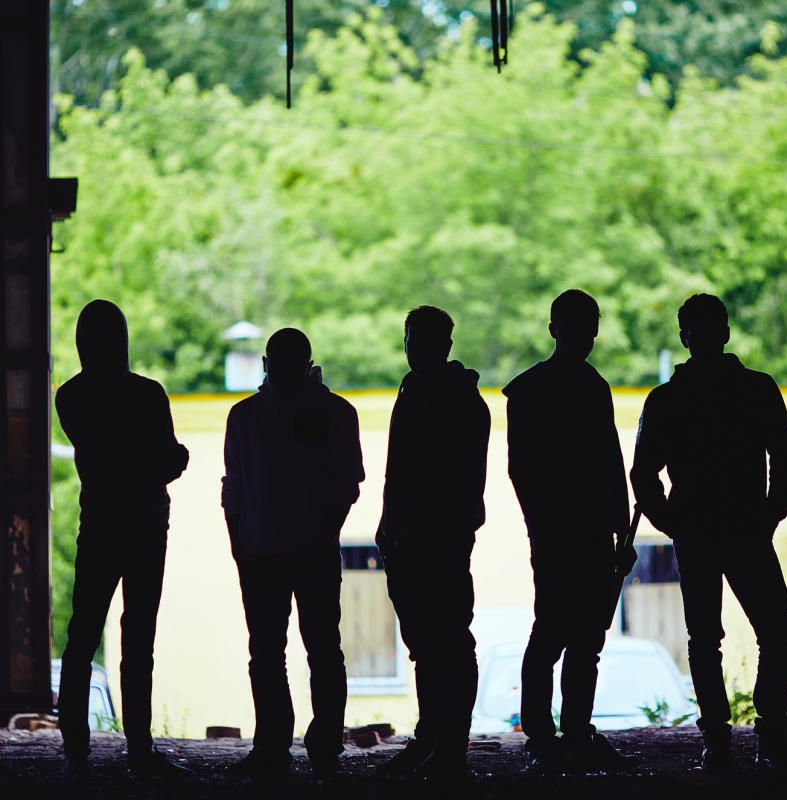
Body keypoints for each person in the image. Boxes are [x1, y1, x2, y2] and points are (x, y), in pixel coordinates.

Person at [630, 293, 787, 771]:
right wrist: (769, 515)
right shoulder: (758, 389)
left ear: (686, 338)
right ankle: (770, 733)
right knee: (775, 631)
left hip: (700, 532)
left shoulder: (667, 400)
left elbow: (643, 474)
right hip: (745, 529)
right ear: (725, 332)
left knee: (706, 637)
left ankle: (718, 740)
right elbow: (783, 461)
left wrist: (671, 521)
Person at [55, 299, 192, 777]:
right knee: (139, 640)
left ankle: (75, 746)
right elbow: (169, 460)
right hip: (147, 528)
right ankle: (138, 748)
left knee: (82, 635)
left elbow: (108, 456)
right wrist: (168, 459)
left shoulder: (69, 398)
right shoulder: (149, 395)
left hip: (98, 527)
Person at [221, 328, 365, 779]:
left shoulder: (244, 417)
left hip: (262, 550)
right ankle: (323, 745)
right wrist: (324, 529)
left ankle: (272, 747)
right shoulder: (337, 413)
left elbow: (234, 489)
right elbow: (348, 484)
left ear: (265, 363)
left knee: (268, 652)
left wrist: (239, 544)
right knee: (322, 649)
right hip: (311, 551)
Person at [504, 289, 634, 773]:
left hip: (575, 532)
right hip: (571, 533)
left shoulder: (536, 388)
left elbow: (607, 462)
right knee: (566, 635)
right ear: (556, 329)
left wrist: (619, 531)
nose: (588, 335)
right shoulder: (578, 387)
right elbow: (531, 470)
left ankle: (557, 734)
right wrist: (615, 530)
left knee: (571, 636)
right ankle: (558, 733)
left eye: (590, 325)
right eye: (583, 325)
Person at [375, 306, 491, 778]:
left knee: (445, 642)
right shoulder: (429, 392)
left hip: (435, 539)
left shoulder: (449, 399)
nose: (413, 347)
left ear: (443, 344)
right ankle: (436, 741)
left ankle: (447, 746)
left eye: (420, 338)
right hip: (416, 538)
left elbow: (434, 478)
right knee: (431, 643)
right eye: (411, 338)